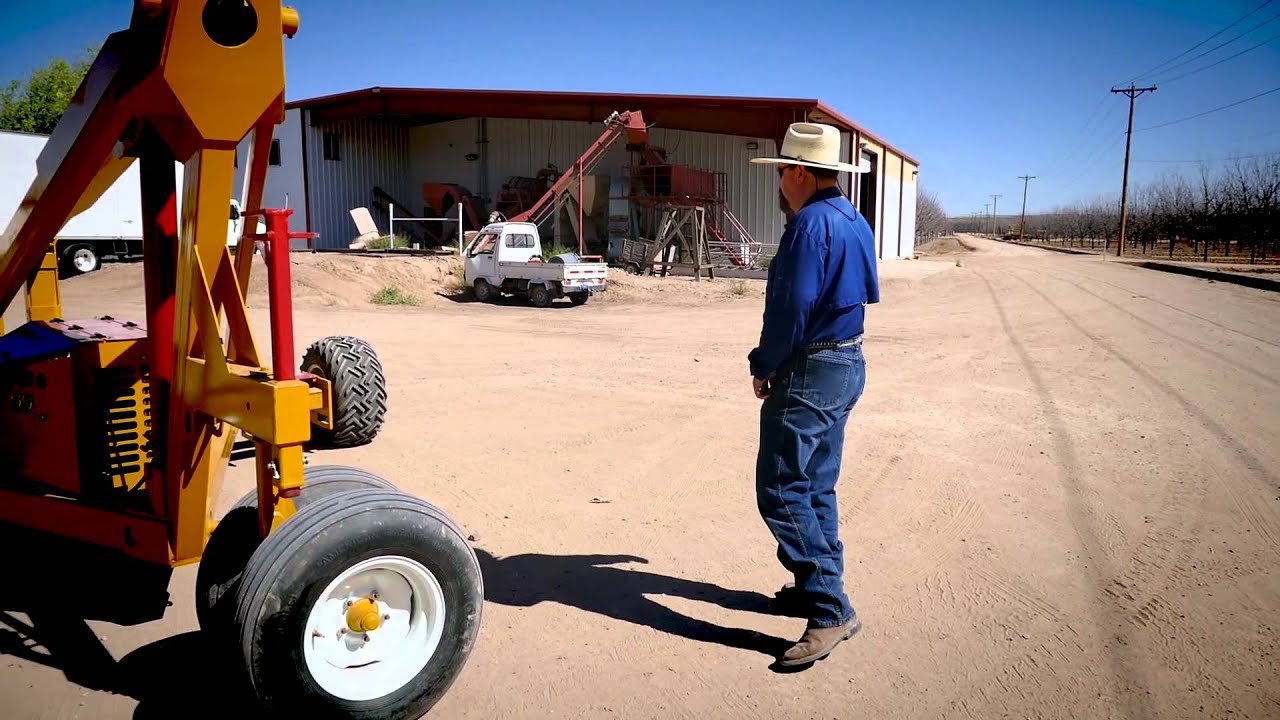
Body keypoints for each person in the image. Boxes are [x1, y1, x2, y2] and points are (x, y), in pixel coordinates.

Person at [747, 122, 879, 667]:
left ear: (799, 172)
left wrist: (764, 363)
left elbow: (791, 307)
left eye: (782, 173)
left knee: (780, 488)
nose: (780, 184)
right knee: (815, 483)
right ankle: (816, 587)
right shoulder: (853, 219)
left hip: (812, 366)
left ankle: (830, 609)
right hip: (846, 362)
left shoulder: (808, 225)